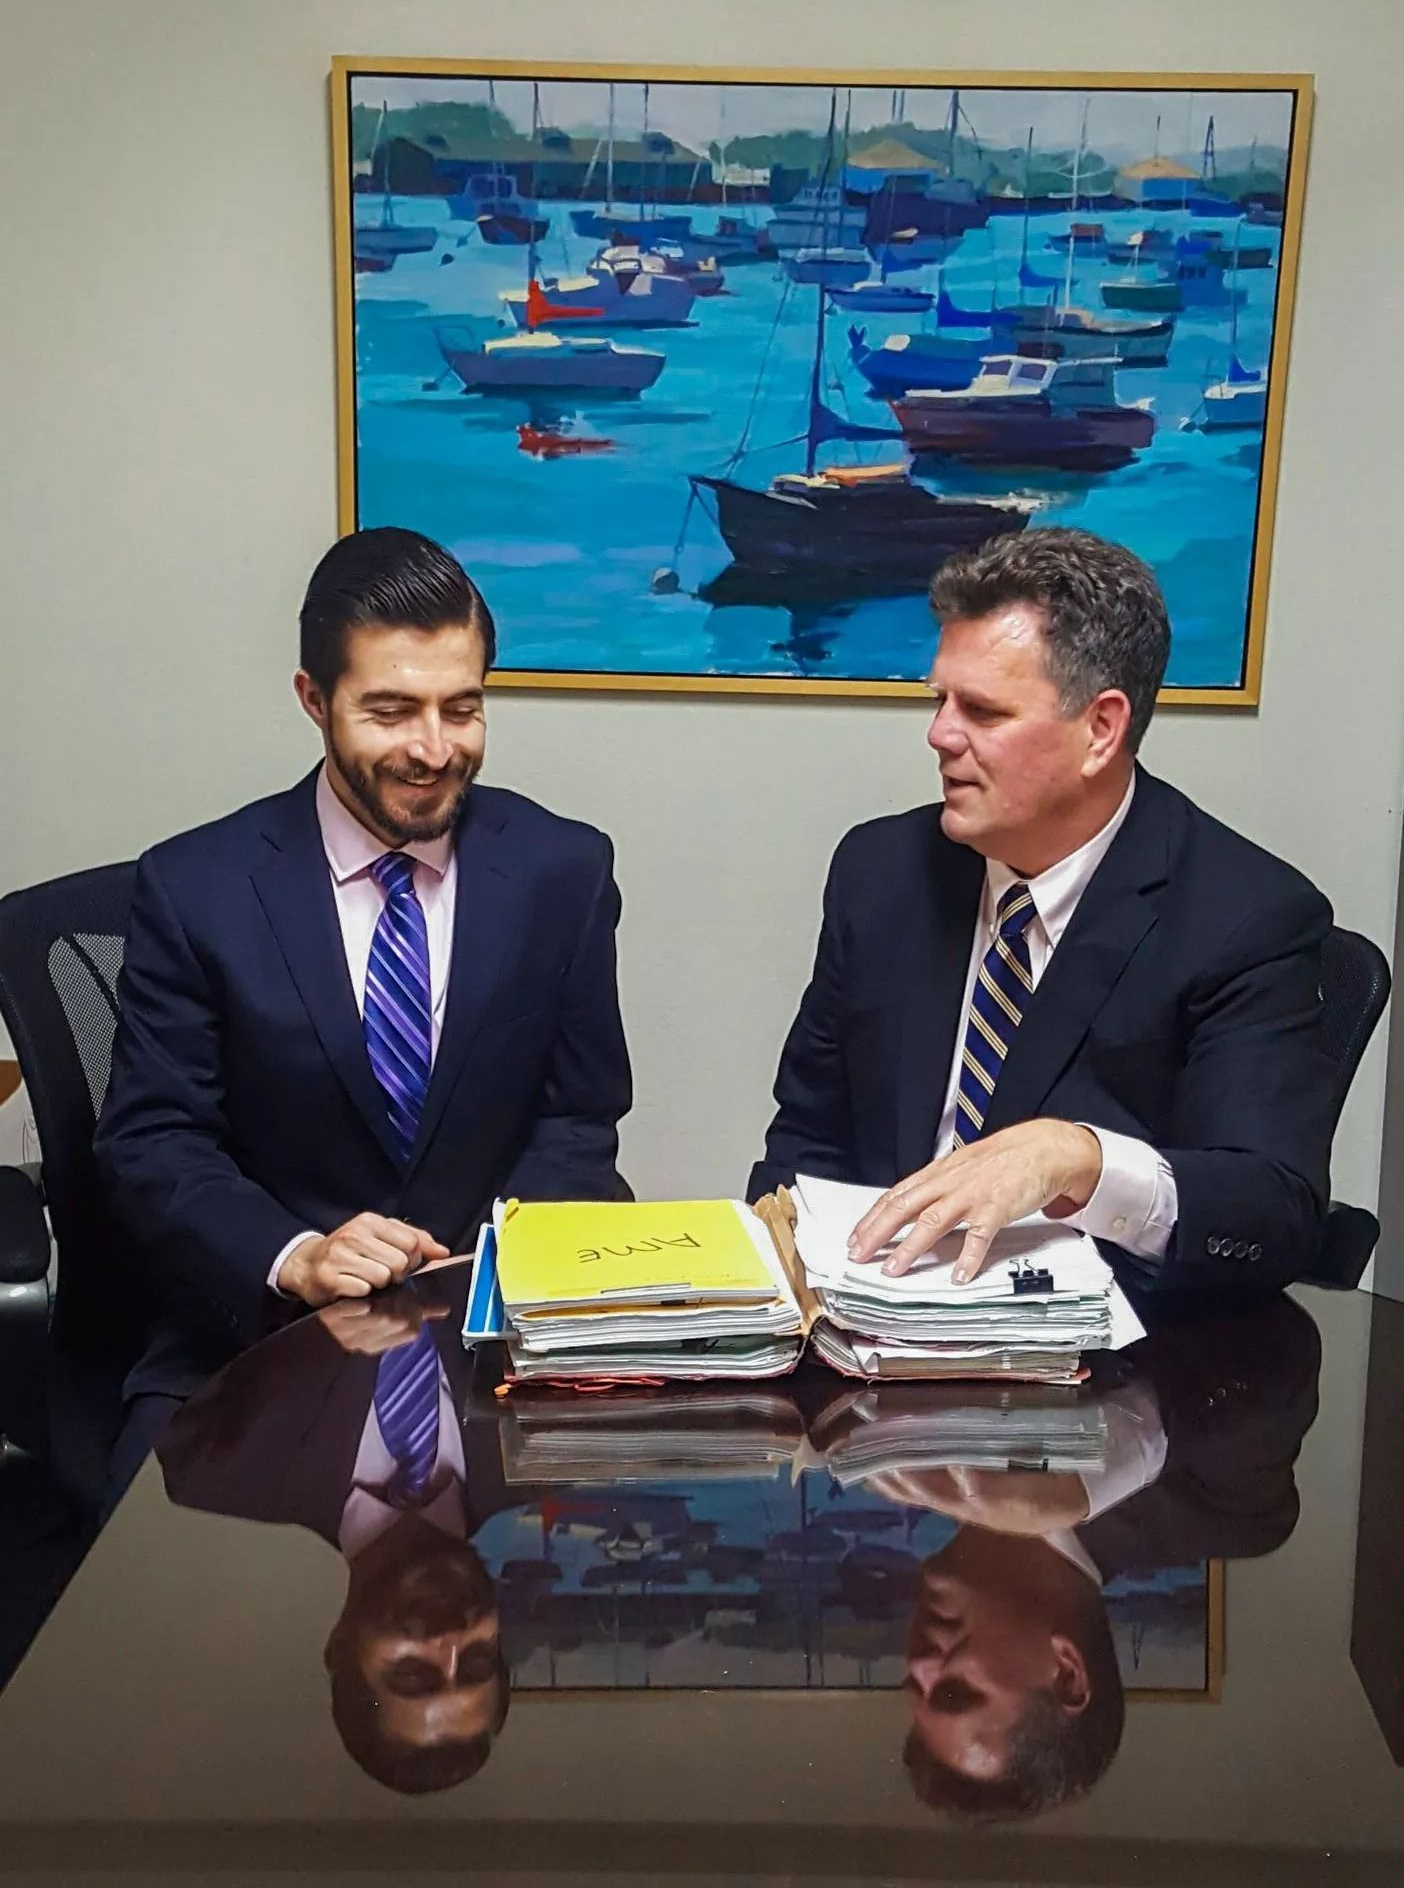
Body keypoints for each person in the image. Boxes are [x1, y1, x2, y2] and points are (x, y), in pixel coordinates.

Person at [96, 527, 631, 1402]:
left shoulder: (562, 870)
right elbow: (155, 1141)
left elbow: (579, 1118)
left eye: (461, 708)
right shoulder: (199, 888)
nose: (432, 749)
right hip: (254, 1348)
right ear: (315, 698)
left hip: (491, 1346)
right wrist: (297, 1256)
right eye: (390, 712)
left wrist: (492, 1269)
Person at [749, 527, 1334, 1295]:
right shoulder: (881, 872)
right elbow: (809, 1133)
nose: (939, 735)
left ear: (1101, 729)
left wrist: (1081, 1158)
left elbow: (1272, 1209)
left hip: (1114, 1371)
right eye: (940, 700)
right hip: (873, 1335)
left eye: (983, 712)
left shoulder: (1245, 915)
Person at [894, 1294, 1321, 1819]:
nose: (919, 1662)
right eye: (957, 1693)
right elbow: (1282, 1349)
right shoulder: (1231, 1516)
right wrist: (1113, 1458)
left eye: (915, 1684)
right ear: (1067, 1672)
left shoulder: (891, 1462)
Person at [159, 1267, 521, 1794]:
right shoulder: (552, 1455)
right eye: (478, 1660)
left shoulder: (220, 1473)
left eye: (412, 1674)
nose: (448, 1643)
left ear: (340, 1646)